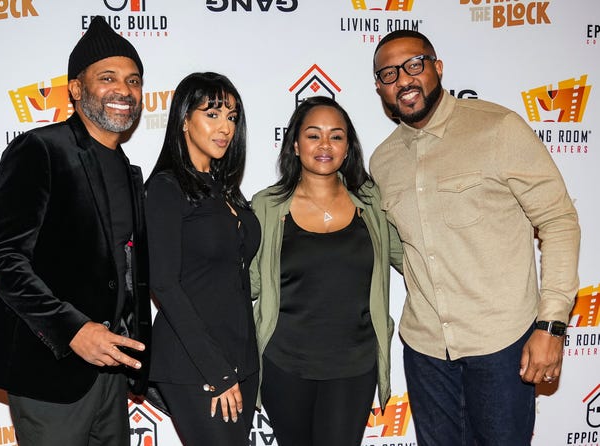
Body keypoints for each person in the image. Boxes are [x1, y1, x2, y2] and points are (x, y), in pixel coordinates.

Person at [370, 30, 581, 445]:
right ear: (379, 87)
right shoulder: (383, 161)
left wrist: (552, 325)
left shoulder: (497, 127)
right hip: (426, 349)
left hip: (501, 344)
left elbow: (558, 220)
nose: (404, 80)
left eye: (415, 64)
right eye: (389, 74)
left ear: (437, 67)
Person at [0, 16, 151, 445]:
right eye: (108, 78)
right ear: (76, 89)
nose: (123, 91)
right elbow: (2, 261)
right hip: (48, 372)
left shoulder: (130, 173)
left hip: (110, 375)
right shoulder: (39, 150)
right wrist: (73, 329)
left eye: (133, 81)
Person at [250, 96, 404, 446]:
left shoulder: (372, 203)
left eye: (336, 136)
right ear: (294, 143)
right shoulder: (267, 206)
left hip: (354, 365)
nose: (324, 145)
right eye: (313, 134)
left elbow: (410, 259)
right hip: (284, 364)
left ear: (348, 147)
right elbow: (249, 282)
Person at [144, 72, 260, 445]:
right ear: (183, 120)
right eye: (212, 114)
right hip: (197, 364)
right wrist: (218, 371)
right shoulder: (165, 188)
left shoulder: (224, 189)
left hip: (239, 359)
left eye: (232, 116)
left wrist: (242, 366)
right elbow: (164, 284)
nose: (225, 126)